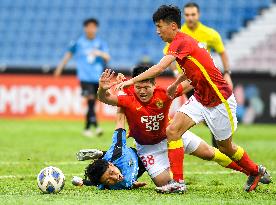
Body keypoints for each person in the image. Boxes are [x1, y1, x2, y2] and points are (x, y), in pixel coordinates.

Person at [116, 5, 271, 192]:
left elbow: (158, 69)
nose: (157, 31)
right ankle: (178, 183)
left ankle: (255, 170)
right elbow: (196, 68)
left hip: (220, 100)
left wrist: (130, 81)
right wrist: (177, 82)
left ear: (173, 26)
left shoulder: (180, 42)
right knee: (173, 130)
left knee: (225, 147)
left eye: (160, 26)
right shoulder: (183, 42)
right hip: (200, 98)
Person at [97, 66, 270, 193]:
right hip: (148, 148)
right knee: (163, 183)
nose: (142, 91)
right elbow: (106, 98)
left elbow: (188, 85)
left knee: (210, 153)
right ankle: (174, 177)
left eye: (146, 87)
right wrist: (102, 89)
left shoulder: (164, 93)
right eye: (138, 87)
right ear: (133, 86)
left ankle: (251, 171)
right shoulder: (128, 99)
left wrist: (197, 72)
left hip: (171, 135)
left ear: (154, 84)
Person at [164, 2, 232, 148]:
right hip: (187, 81)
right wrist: (176, 72)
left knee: (210, 112)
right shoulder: (178, 34)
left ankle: (217, 142)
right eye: (187, 15)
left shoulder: (210, 34)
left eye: (193, 14)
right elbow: (168, 54)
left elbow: (222, 52)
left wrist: (227, 73)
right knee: (202, 112)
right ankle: (183, 136)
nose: (190, 18)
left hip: (206, 80)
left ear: (198, 15)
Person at [54, 18, 110, 137]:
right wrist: (60, 68)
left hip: (97, 77)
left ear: (96, 29)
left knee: (92, 103)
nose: (91, 29)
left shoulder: (100, 43)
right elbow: (68, 55)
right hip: (84, 77)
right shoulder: (78, 42)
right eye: (89, 26)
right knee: (90, 99)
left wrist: (99, 53)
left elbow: (107, 57)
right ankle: (96, 126)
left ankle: (88, 128)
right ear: (85, 28)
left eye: (93, 27)